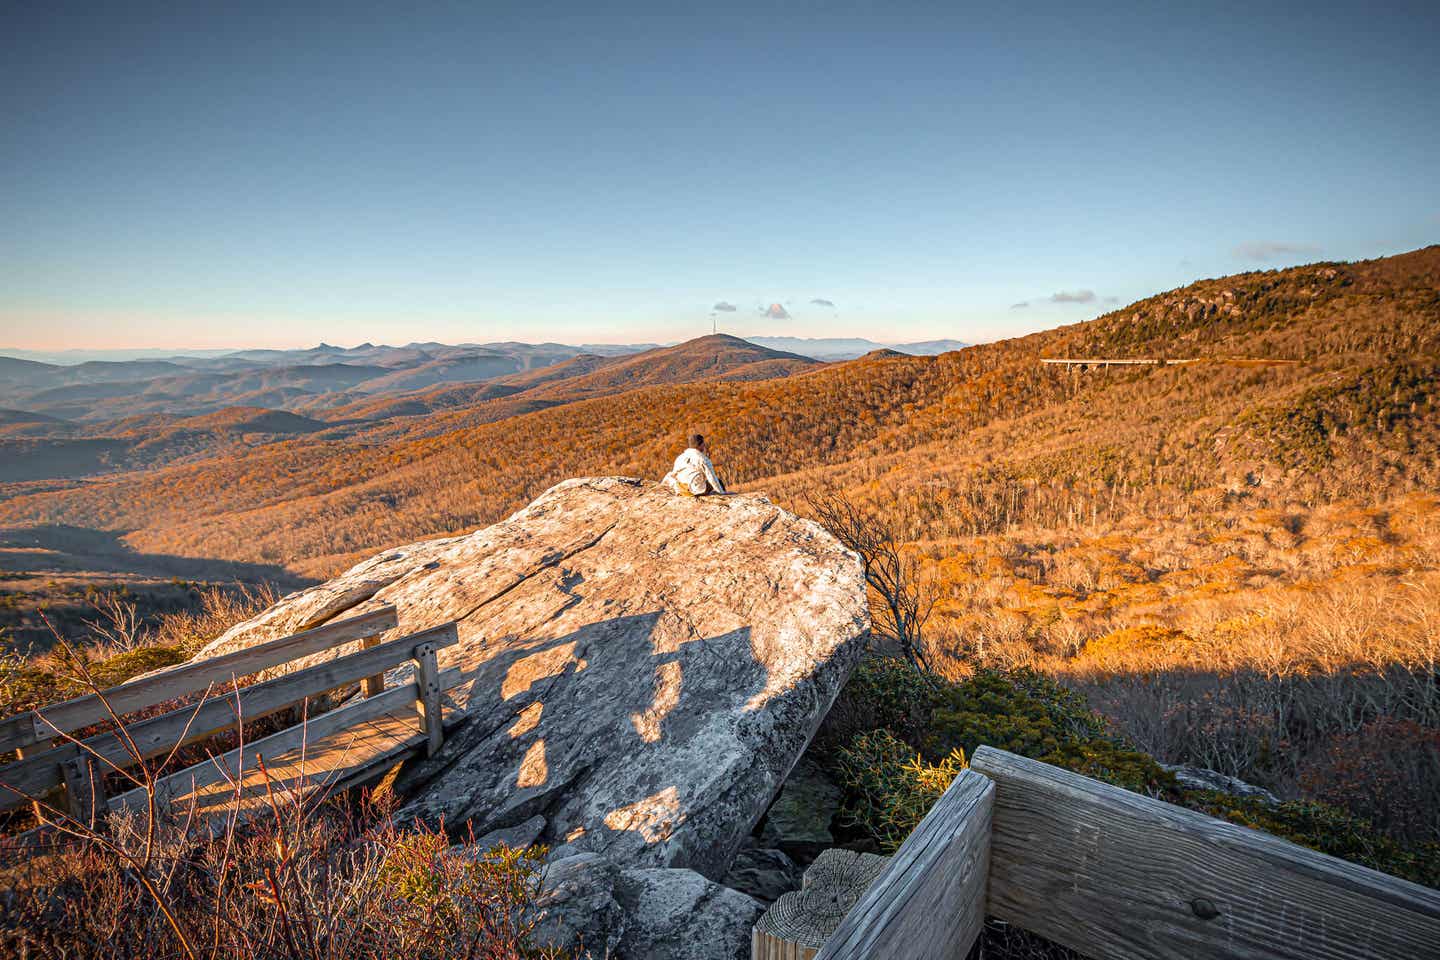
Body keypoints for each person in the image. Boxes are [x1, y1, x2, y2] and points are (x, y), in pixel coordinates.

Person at [662, 432, 727, 496]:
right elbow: (712, 478)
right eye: (703, 444)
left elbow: (674, 474)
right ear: (700, 444)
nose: (704, 446)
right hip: (695, 490)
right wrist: (722, 493)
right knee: (719, 482)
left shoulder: (680, 457)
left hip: (681, 488)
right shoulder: (703, 459)